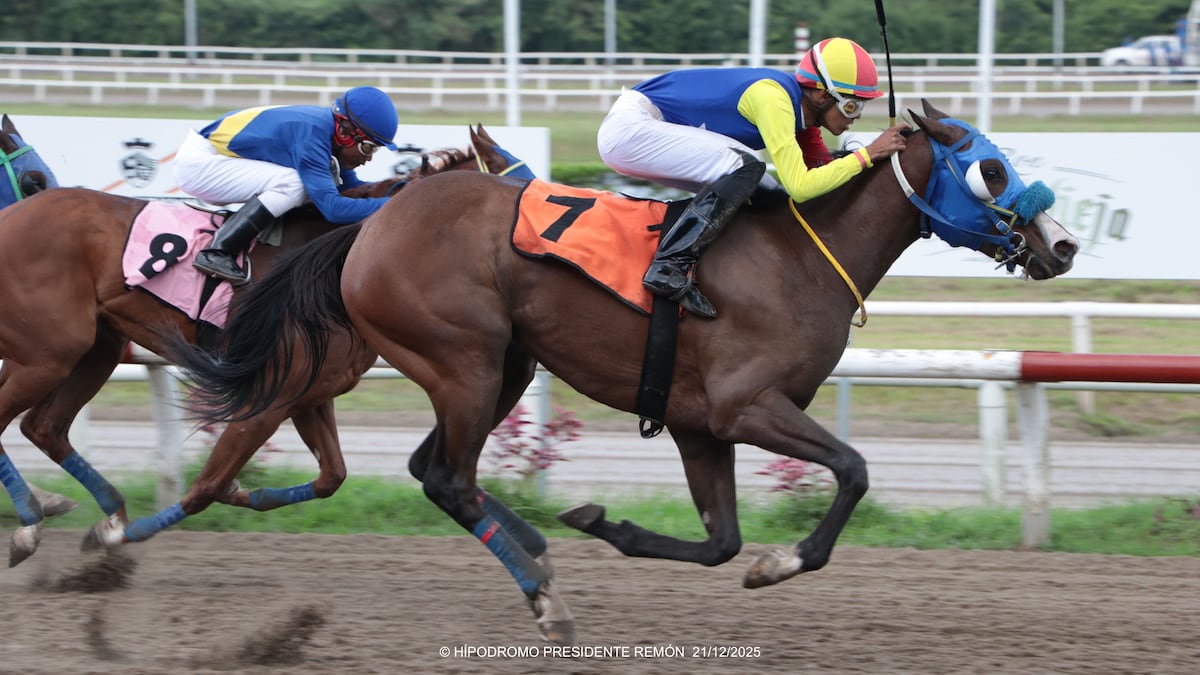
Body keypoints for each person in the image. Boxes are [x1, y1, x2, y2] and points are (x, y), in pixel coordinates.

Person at [597, 37, 910, 319]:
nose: (857, 116)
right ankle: (669, 268)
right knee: (747, 168)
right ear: (820, 94)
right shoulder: (774, 100)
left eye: (862, 105)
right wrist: (867, 154)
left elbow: (820, 183)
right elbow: (802, 187)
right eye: (852, 104)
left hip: (647, 130)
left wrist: (878, 167)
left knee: (769, 194)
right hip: (632, 129)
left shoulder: (806, 119)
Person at [174, 85, 400, 285]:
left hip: (214, 158)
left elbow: (349, 190)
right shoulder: (312, 135)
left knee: (309, 184)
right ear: (345, 133)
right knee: (294, 183)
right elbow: (333, 209)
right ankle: (217, 252)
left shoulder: (326, 131)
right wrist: (394, 206)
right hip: (200, 165)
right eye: (369, 148)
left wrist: (395, 192)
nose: (369, 158)